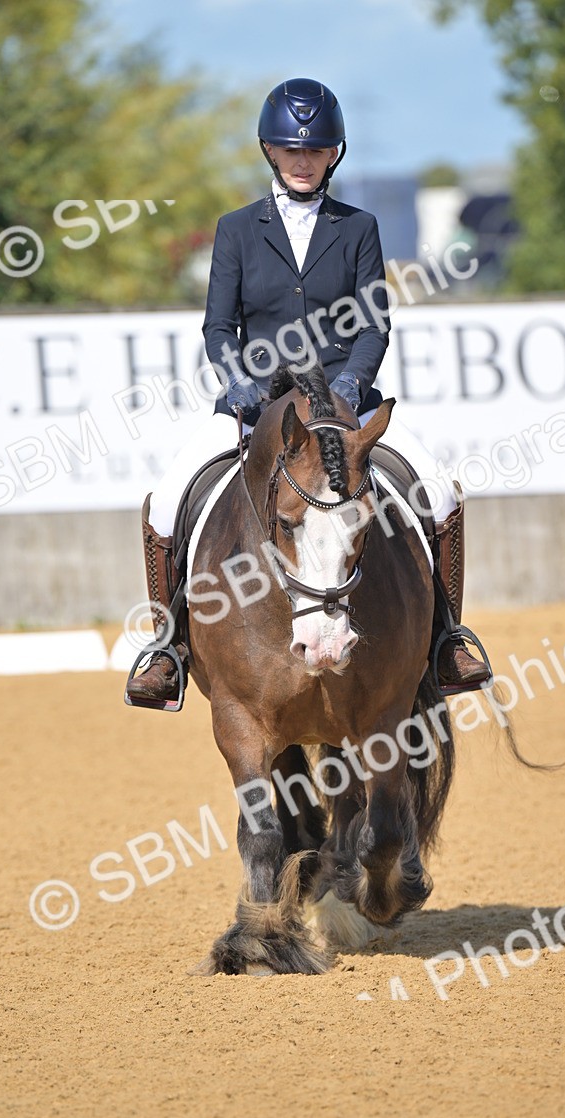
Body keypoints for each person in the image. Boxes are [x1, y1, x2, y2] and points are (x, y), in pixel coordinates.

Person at [126, 77, 491, 706]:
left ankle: (447, 639)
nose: (303, 161)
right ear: (271, 151)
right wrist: (238, 380)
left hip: (346, 402)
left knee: (435, 487)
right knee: (166, 499)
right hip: (255, 405)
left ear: (333, 155)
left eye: (315, 151)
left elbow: (373, 322)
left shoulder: (358, 227)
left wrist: (349, 383)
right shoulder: (238, 229)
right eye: (291, 151)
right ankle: (168, 647)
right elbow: (219, 325)